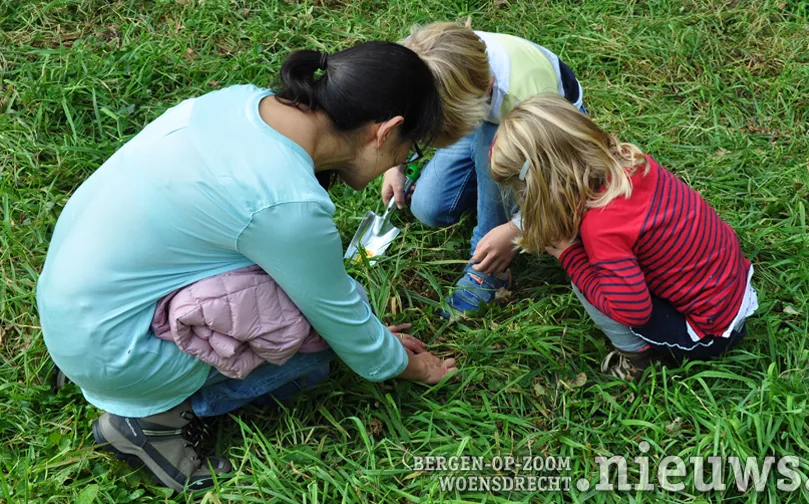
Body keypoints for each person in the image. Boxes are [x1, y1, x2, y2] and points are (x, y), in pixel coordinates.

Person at [36, 41, 456, 492]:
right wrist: (403, 365)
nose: (400, 162)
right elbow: (340, 319)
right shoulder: (286, 203)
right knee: (310, 340)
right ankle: (149, 422)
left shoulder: (239, 101)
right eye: (408, 150)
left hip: (72, 309)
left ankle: (110, 369)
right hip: (118, 354)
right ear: (386, 131)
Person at [489, 94, 759, 381]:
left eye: (522, 192)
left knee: (587, 275)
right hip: (732, 284)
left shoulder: (601, 227)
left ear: (544, 186)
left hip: (709, 332)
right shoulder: (630, 162)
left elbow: (632, 311)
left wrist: (571, 259)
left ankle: (638, 358)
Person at [380, 21, 587, 316]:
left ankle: (489, 271)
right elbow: (405, 107)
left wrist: (517, 229)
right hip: (483, 118)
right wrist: (395, 165)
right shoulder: (434, 60)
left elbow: (565, 180)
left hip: (542, 134)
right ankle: (486, 174)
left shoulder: (529, 100)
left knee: (491, 153)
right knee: (429, 209)